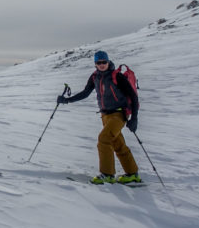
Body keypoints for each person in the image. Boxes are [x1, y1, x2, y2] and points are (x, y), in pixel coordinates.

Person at [57, 50, 141, 184]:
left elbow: (133, 97)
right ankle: (132, 173)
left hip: (118, 114)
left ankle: (107, 174)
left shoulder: (117, 76)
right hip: (105, 115)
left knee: (104, 139)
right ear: (95, 64)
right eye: (98, 62)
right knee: (117, 143)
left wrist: (134, 118)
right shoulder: (95, 76)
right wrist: (67, 100)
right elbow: (85, 92)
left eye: (104, 62)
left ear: (108, 61)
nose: (102, 65)